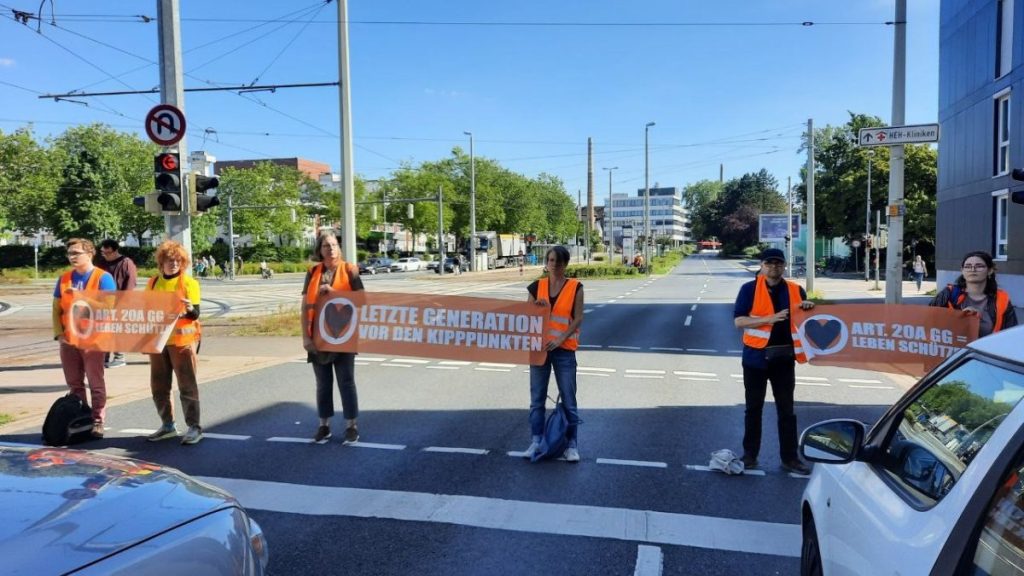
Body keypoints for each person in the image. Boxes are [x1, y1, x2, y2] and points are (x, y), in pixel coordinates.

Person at [733, 248, 815, 475]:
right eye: (769, 263)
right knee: (753, 409)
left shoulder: (796, 290)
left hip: (784, 358)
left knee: (786, 411)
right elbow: (739, 321)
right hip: (755, 359)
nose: (774, 267)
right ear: (762, 265)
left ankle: (790, 458)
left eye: (778, 263)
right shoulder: (749, 289)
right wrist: (771, 318)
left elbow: (806, 321)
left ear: (784, 266)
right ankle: (750, 455)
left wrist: (808, 309)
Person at [524, 246, 584, 462]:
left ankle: (572, 445)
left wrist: (560, 339)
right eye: (550, 260)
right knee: (537, 399)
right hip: (539, 349)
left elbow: (577, 318)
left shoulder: (575, 287)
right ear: (546, 262)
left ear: (565, 264)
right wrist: (536, 307)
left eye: (558, 261)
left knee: (569, 399)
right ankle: (537, 441)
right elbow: (525, 317)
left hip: (564, 350)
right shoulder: (536, 287)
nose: (554, 265)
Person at [302, 231, 363, 444]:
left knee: (346, 382)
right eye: (326, 245)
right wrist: (305, 337)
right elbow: (305, 306)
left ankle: (351, 426)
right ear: (320, 250)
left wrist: (334, 292)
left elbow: (361, 300)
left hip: (344, 335)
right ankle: (324, 426)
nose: (331, 248)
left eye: (335, 244)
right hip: (319, 336)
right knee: (322, 383)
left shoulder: (350, 270)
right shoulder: (312, 272)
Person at [52, 238, 116, 438]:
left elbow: (109, 307)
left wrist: (82, 296)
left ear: (89, 254)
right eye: (69, 253)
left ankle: (98, 420)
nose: (72, 257)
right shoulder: (63, 279)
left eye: (76, 253)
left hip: (94, 340)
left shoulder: (103, 278)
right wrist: (59, 334)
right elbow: (56, 309)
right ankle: (81, 417)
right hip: (69, 340)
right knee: (74, 383)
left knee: (95, 382)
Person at [144, 240, 204, 445]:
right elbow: (144, 311)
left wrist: (188, 309)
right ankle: (167, 425)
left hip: (182, 343)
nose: (174, 264)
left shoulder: (189, 284)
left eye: (178, 260)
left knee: (187, 385)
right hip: (158, 342)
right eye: (170, 260)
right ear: (161, 262)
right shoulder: (152, 283)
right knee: (159, 385)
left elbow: (196, 314)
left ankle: (194, 427)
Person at [929, 251, 1017, 338]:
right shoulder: (949, 293)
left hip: (986, 350)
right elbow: (928, 322)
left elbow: (1011, 335)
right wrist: (958, 316)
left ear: (990, 271)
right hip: (956, 351)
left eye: (979, 266)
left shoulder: (1001, 299)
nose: (973, 269)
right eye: (967, 266)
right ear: (962, 271)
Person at [97, 239, 137, 368]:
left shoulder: (126, 263)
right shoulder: (101, 263)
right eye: (103, 252)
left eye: (107, 252)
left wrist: (124, 302)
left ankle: (119, 357)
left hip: (120, 302)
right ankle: (104, 357)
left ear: (115, 251)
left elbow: (130, 284)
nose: (105, 255)